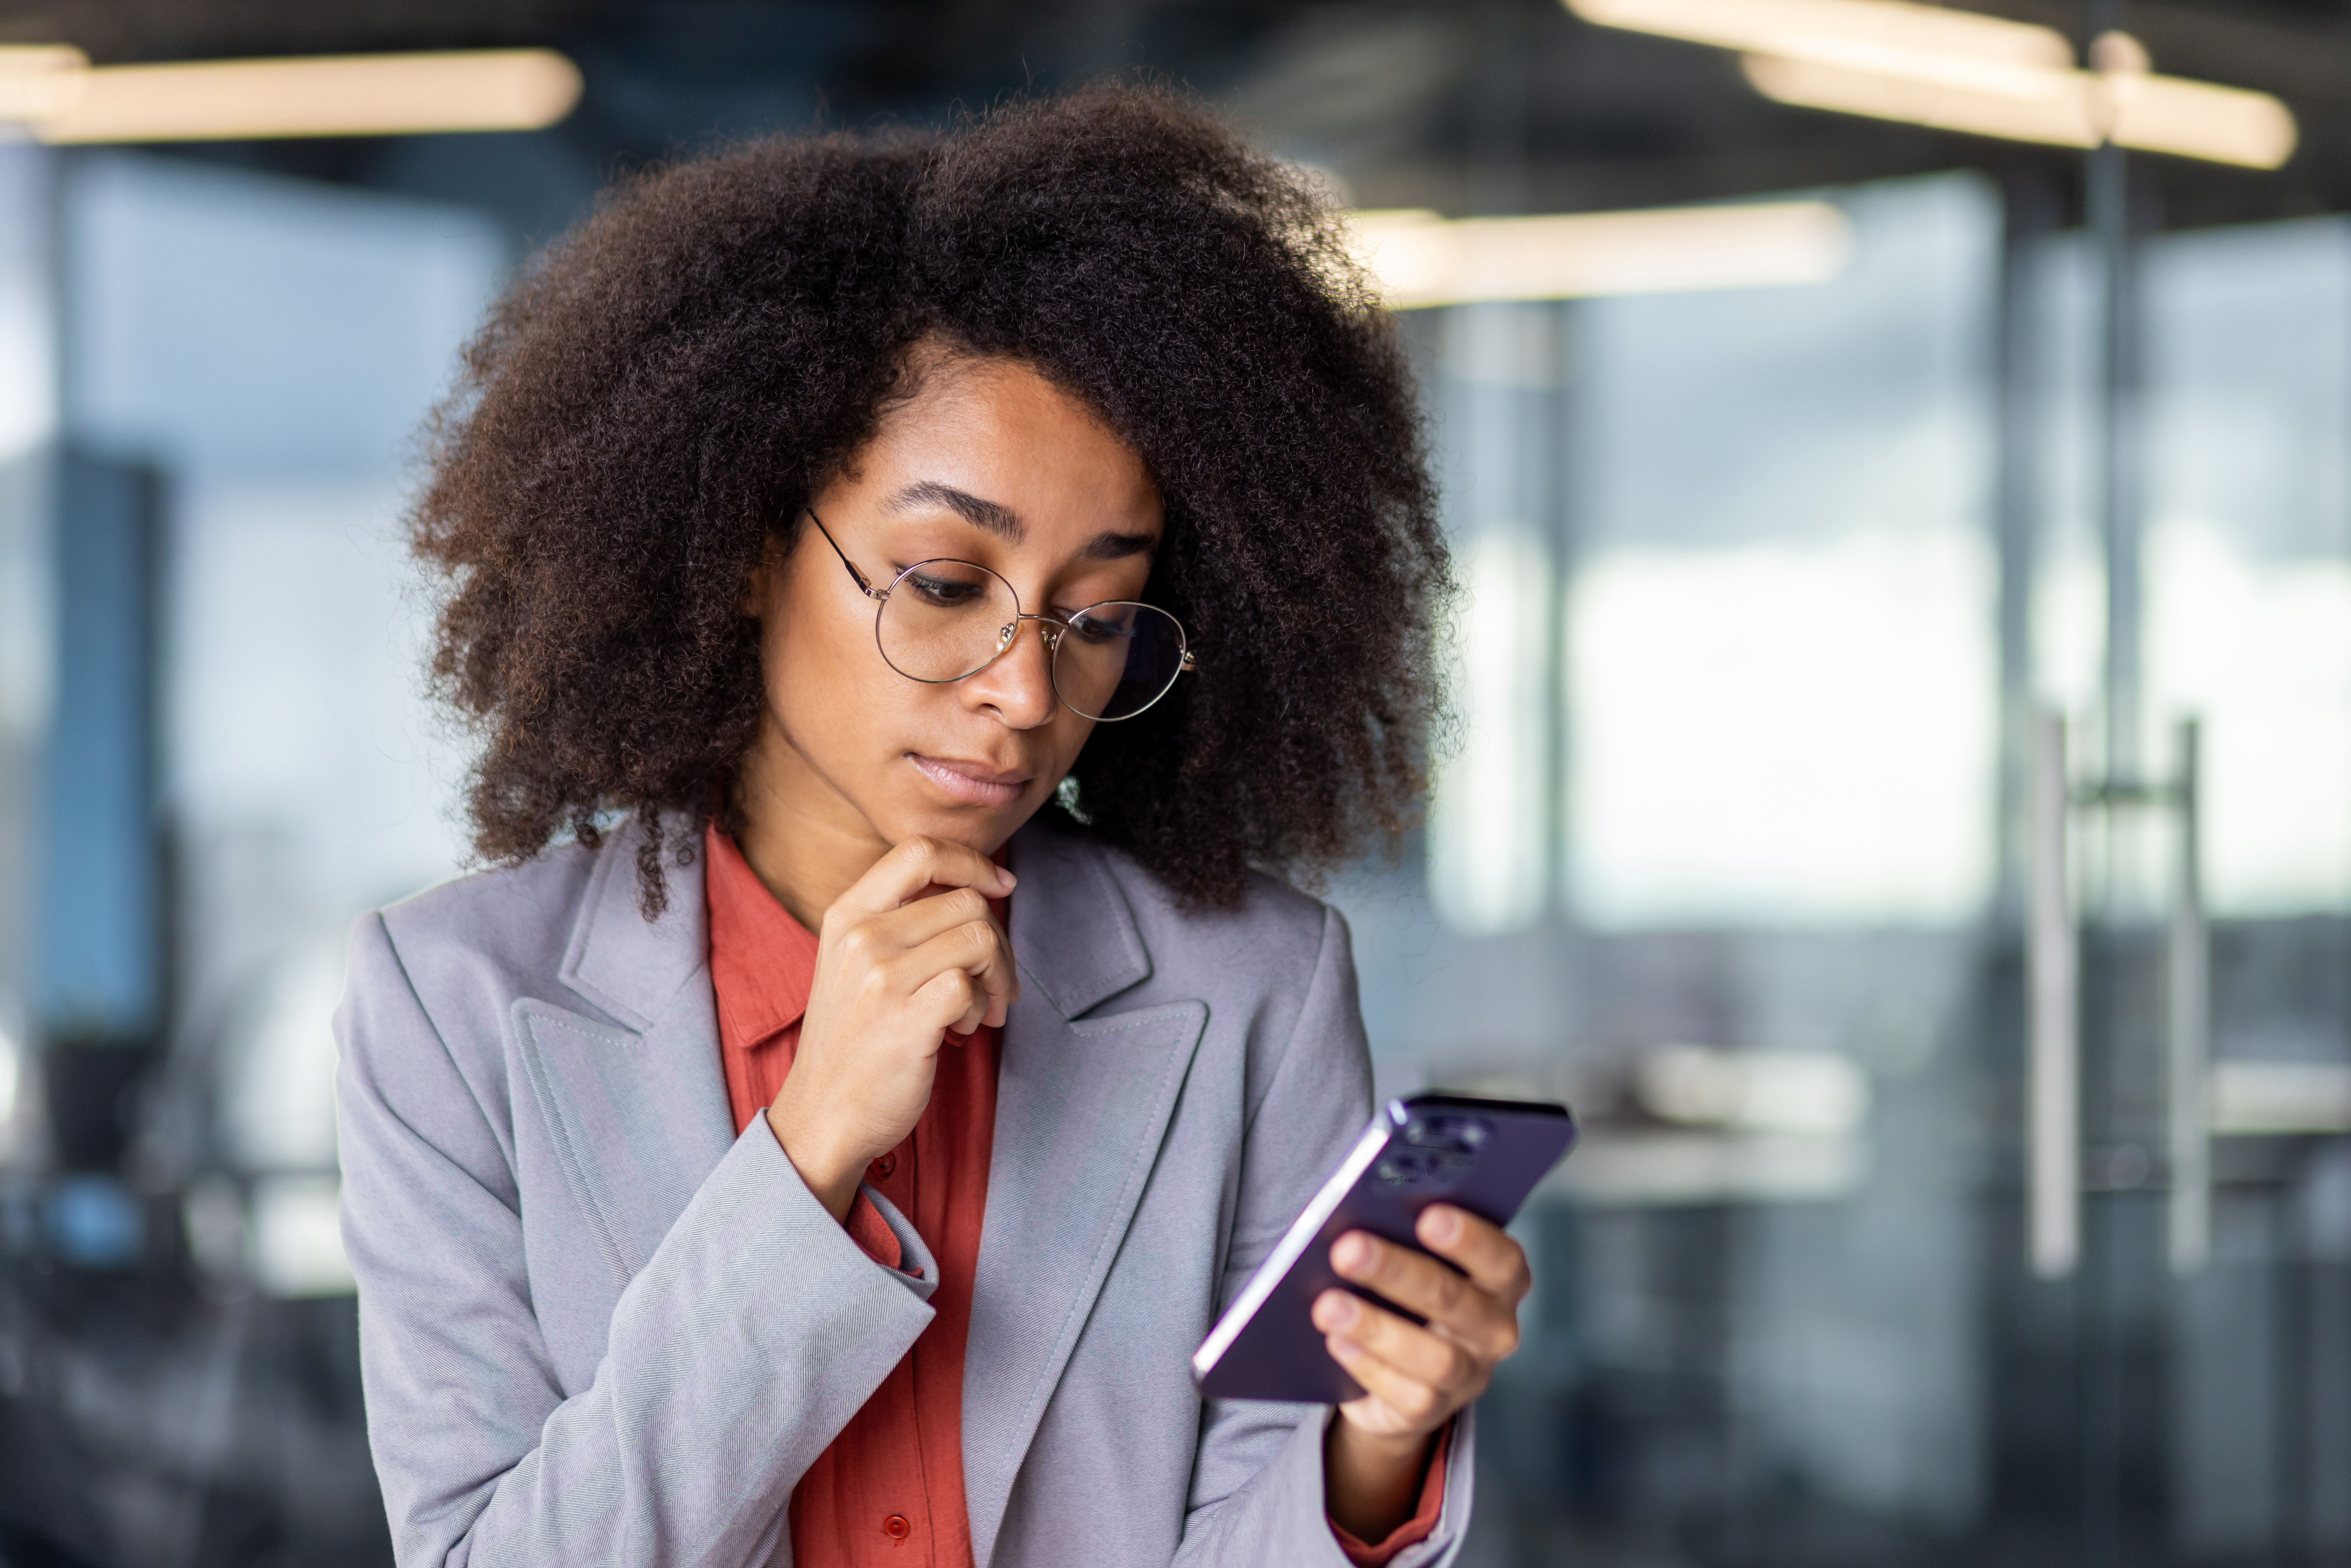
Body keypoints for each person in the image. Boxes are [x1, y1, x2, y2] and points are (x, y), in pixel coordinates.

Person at [335, 85, 1529, 1568]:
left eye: (1096, 615)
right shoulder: (453, 1006)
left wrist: (1376, 1450)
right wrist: (810, 1147)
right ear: (751, 548)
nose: (1027, 689)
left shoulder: (1253, 993)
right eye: (947, 583)